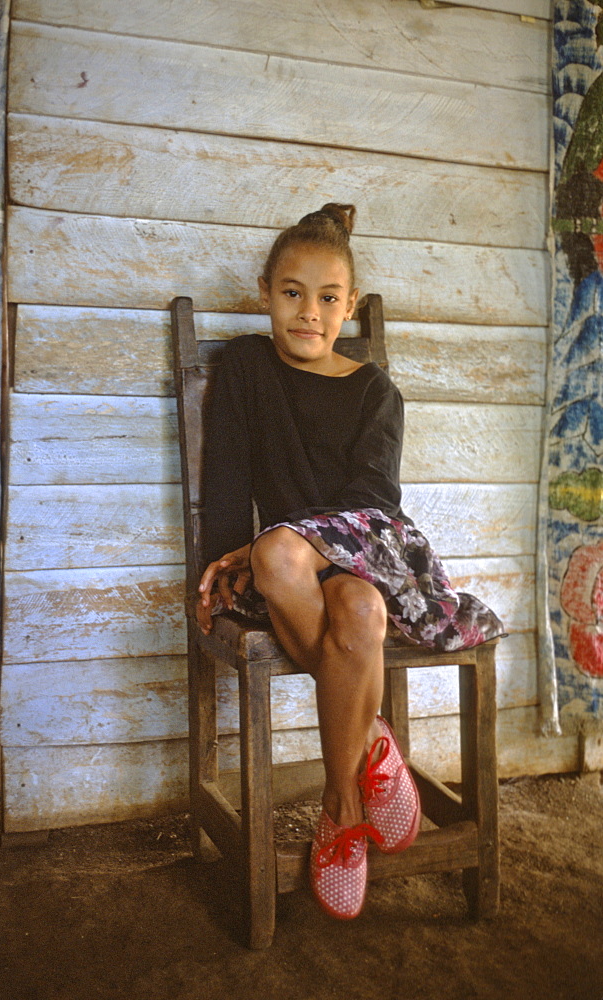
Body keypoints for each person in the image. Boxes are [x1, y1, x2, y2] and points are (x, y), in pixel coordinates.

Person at [196, 203, 504, 920]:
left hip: (364, 553)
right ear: (265, 290)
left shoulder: (375, 392)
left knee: (360, 605)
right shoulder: (244, 366)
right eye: (291, 293)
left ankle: (339, 816)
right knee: (276, 557)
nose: (308, 312)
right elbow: (224, 487)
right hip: (278, 573)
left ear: (350, 307)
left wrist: (292, 541)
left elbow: (373, 504)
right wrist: (214, 569)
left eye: (328, 298)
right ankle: (371, 748)